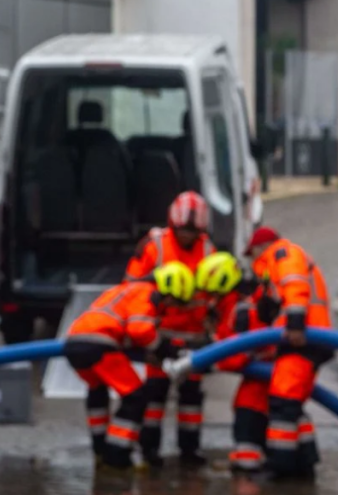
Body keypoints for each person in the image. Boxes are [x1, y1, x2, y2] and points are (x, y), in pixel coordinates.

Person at [64, 262, 195, 470]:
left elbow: (124, 329)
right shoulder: (147, 293)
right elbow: (140, 330)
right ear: (169, 290)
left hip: (74, 343)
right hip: (101, 344)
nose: (170, 306)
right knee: (136, 396)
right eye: (173, 300)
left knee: (97, 392)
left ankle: (100, 450)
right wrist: (167, 349)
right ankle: (116, 455)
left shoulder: (122, 289)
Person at [124, 191, 214, 467]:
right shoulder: (154, 246)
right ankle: (149, 449)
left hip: (193, 336)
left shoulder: (207, 249)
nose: (187, 236)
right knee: (155, 394)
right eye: (182, 230)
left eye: (192, 232)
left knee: (191, 398)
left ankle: (190, 450)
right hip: (159, 335)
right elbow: (131, 288)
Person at [244, 226, 332, 480]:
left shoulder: (282, 254)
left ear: (259, 249)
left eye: (252, 255)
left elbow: (295, 284)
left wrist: (294, 322)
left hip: (304, 337)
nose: (252, 261)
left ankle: (280, 467)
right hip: (307, 337)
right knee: (293, 404)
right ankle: (305, 463)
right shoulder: (277, 263)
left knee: (282, 401)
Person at [196, 252, 282, 473]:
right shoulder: (232, 307)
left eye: (213, 293)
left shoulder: (242, 311)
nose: (210, 299)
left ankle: (249, 468)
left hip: (266, 376)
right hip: (263, 375)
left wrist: (209, 364)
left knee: (248, 413)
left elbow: (238, 354)